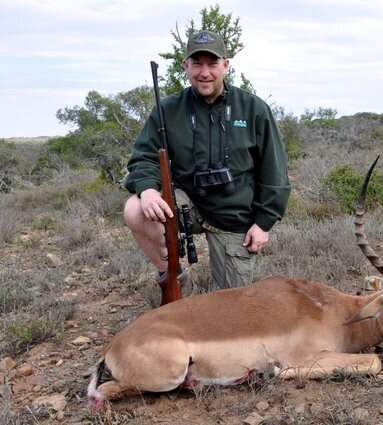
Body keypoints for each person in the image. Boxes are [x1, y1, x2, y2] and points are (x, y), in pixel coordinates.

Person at [123, 30, 291, 293]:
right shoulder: (167, 109)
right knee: (135, 209)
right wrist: (146, 189)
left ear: (226, 65)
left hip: (234, 217)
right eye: (197, 64)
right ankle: (176, 282)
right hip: (185, 205)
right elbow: (143, 158)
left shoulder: (254, 109)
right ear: (185, 66)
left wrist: (264, 222)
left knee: (228, 312)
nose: (205, 73)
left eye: (212, 64)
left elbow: (275, 172)